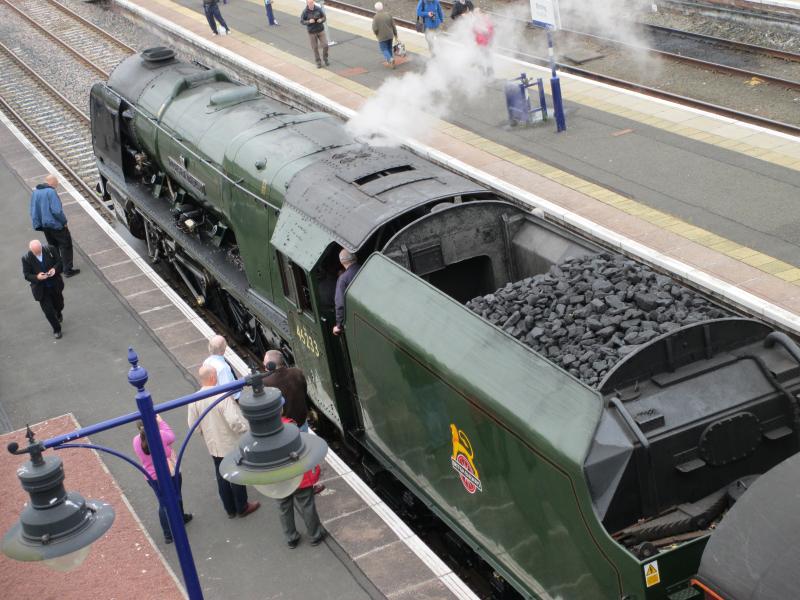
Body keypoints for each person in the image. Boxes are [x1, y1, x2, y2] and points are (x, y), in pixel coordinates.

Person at [188, 365, 260, 518]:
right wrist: (244, 430)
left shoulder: (194, 400)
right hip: (230, 443)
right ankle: (242, 506)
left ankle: (230, 509)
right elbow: (234, 421)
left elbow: (193, 426)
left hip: (213, 445)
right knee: (235, 474)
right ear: (213, 377)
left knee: (221, 475)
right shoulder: (222, 396)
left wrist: (205, 433)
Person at [133, 416, 193, 544]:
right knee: (177, 495)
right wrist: (161, 421)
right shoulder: (160, 435)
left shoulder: (136, 441)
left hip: (151, 477)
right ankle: (180, 519)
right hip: (168, 473)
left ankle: (168, 533)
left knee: (163, 503)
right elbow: (171, 436)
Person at [277, 417, 325, 549]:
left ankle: (291, 538)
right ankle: (315, 535)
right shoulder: (290, 427)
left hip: (278, 479)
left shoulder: (261, 432)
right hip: (297, 476)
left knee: (283, 507)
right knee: (307, 504)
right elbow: (303, 450)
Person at [30, 174, 79, 278]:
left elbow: (33, 210)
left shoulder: (36, 192)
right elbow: (56, 211)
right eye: (57, 181)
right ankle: (68, 270)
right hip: (55, 225)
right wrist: (64, 221)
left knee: (53, 247)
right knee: (66, 245)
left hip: (45, 226)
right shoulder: (51, 192)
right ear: (51, 182)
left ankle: (58, 268)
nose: (57, 184)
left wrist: (38, 224)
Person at [22, 239, 65, 339]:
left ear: (41, 246)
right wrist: (37, 277)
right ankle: (57, 329)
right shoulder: (26, 258)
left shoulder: (50, 249)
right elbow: (27, 275)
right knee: (48, 311)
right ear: (31, 250)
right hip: (41, 290)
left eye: (39, 251)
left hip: (55, 285)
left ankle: (58, 313)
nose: (37, 253)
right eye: (35, 252)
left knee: (59, 305)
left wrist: (55, 269)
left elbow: (60, 262)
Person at [203, 335, 240, 400]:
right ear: (224, 349)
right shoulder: (223, 368)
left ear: (209, 347)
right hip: (234, 399)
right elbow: (227, 391)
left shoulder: (206, 362)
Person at [332, 249, 360, 336]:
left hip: (356, 319)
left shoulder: (343, 279)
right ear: (355, 258)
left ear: (342, 262)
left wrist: (339, 326)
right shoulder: (364, 267)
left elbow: (340, 304)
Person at [300, 0, 329, 68]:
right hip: (312, 32)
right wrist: (309, 21)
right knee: (315, 48)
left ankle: (325, 58)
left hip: (320, 30)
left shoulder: (318, 9)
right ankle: (318, 62)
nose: (311, 4)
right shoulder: (305, 12)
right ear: (307, 3)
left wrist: (321, 20)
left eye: (312, 2)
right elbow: (302, 21)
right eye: (310, 3)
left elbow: (324, 17)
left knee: (325, 45)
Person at [372, 2, 398, 68]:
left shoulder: (375, 17)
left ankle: (390, 59)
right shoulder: (388, 14)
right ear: (382, 7)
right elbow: (393, 25)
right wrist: (395, 34)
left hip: (382, 37)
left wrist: (376, 33)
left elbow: (375, 28)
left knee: (384, 49)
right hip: (390, 35)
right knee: (389, 48)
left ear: (376, 9)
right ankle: (392, 63)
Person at [472, 7, 495, 77]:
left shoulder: (486, 20)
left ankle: (489, 72)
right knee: (479, 58)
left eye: (477, 13)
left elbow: (491, 31)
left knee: (486, 57)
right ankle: (482, 73)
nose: (476, 14)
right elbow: (473, 31)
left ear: (481, 13)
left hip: (486, 43)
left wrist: (486, 31)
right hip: (479, 43)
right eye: (475, 13)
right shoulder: (475, 21)